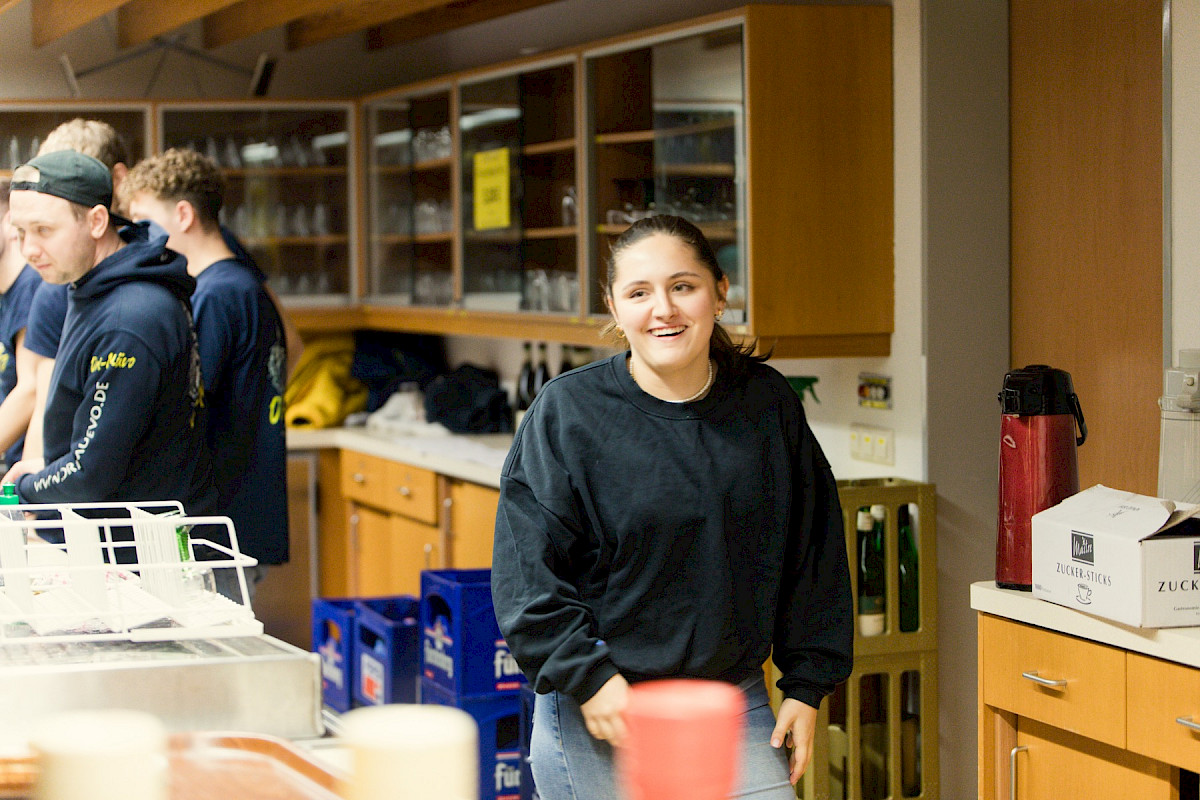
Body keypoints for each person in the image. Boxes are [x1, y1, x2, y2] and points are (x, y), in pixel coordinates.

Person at [491, 214, 853, 799]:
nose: (663, 309)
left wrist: (807, 683)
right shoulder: (568, 412)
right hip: (603, 703)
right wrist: (587, 676)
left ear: (720, 293)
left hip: (728, 699)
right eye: (639, 293)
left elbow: (813, 551)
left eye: (683, 286)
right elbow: (525, 572)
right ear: (614, 307)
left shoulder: (766, 405)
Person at [3, 149, 216, 521]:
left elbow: (91, 473)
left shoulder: (128, 319)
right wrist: (46, 466)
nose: (29, 249)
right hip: (114, 527)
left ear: (97, 221)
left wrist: (24, 491)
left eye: (43, 230)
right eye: (20, 233)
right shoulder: (93, 286)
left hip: (142, 542)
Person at [123, 148, 289, 599]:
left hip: (221, 523)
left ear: (183, 215)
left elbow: (186, 405)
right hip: (244, 516)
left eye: (144, 221)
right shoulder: (243, 286)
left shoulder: (217, 295)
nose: (137, 236)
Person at [0, 180, 41, 468]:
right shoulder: (7, 293)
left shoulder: (31, 286)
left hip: (28, 470)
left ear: (10, 223)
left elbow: (31, 389)